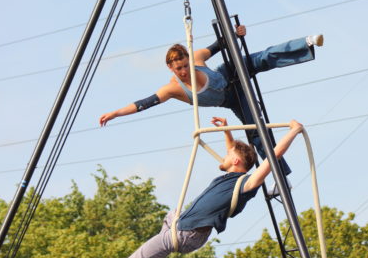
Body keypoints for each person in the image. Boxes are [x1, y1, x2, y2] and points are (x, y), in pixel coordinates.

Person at [122, 116, 304, 258]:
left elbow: (272, 157)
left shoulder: (246, 184)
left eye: (228, 155)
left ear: (235, 161)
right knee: (172, 214)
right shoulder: (229, 177)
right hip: (180, 225)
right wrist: (227, 130)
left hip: (187, 234)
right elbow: (233, 151)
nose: (224, 155)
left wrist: (294, 131)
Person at [100, 27, 323, 175]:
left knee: (264, 58)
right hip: (233, 99)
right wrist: (115, 113)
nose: (184, 71)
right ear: (170, 68)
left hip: (231, 72)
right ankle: (281, 176)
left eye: (186, 65)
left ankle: (306, 43)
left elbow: (220, 43)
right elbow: (143, 103)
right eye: (179, 68)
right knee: (257, 134)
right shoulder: (173, 89)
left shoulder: (197, 57)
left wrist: (236, 33)